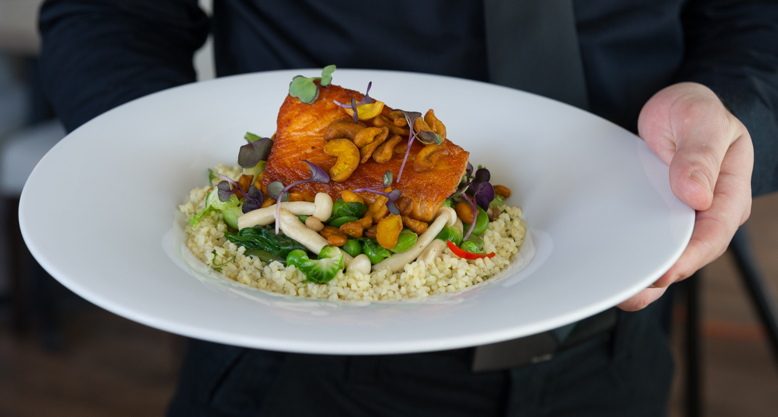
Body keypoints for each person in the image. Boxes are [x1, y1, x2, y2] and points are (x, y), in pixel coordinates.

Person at [38, 1, 778, 416]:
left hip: (617, 349)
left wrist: (735, 114)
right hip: (291, 364)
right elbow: (108, 12)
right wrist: (139, 156)